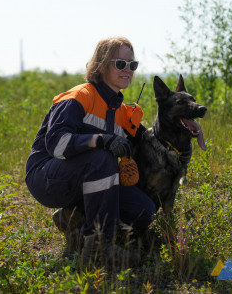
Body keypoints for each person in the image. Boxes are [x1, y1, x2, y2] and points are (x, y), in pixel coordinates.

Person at [25, 36, 156, 267]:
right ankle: (98, 248)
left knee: (143, 210)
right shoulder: (79, 97)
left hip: (84, 177)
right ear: (102, 64)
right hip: (46, 176)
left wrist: (187, 129)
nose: (128, 70)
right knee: (102, 158)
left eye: (132, 65)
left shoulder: (120, 111)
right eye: (120, 64)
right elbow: (56, 144)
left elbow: (148, 141)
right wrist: (99, 140)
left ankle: (73, 218)